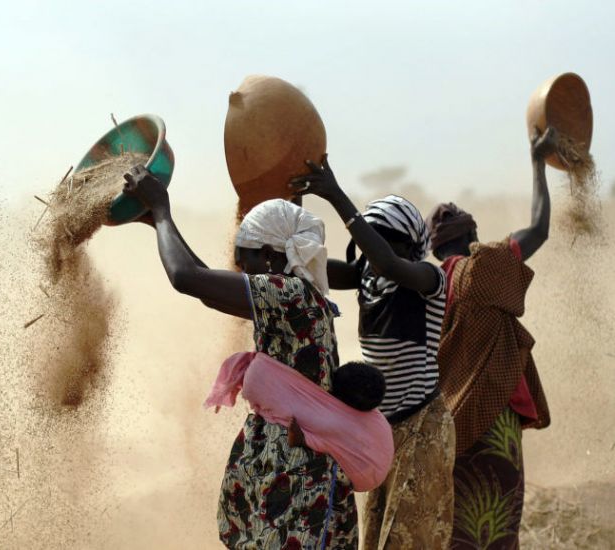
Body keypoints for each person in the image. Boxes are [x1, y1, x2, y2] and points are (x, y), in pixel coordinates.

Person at [122, 166, 358, 549]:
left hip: (296, 471)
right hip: (284, 461)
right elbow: (205, 286)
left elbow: (186, 277)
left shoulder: (291, 294)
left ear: (268, 255)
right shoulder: (292, 297)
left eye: (244, 259)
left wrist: (163, 210)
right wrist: (157, 222)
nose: (241, 269)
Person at [291, 157, 455, 549]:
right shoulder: (367, 275)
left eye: (387, 239)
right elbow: (305, 268)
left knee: (410, 540)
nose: (373, 250)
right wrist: (293, 203)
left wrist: (334, 195)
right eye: (370, 238)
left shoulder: (428, 279)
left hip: (423, 428)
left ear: (410, 246)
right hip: (380, 430)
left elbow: (386, 260)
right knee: (377, 538)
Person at [427, 127, 557, 549]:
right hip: (492, 423)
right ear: (474, 238)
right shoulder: (485, 267)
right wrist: (537, 162)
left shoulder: (421, 284)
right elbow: (538, 227)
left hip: (441, 428)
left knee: (455, 530)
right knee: (496, 528)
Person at [205, 355, 393, 492]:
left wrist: (302, 440)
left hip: (362, 476)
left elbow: (307, 440)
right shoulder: (375, 417)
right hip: (377, 468)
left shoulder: (329, 420)